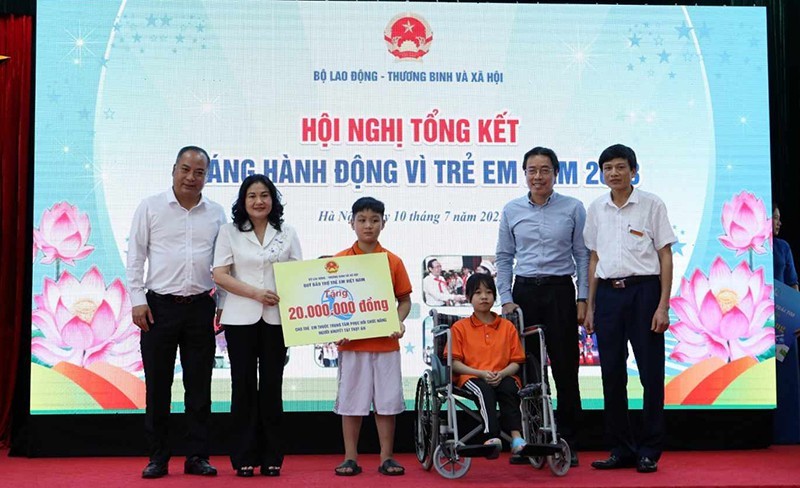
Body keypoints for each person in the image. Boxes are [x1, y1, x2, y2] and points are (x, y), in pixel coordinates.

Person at [127, 146, 226, 479]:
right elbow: (136, 256)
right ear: (173, 170)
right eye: (185, 169)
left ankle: (197, 456)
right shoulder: (151, 207)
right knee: (158, 386)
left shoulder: (216, 213)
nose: (191, 177)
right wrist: (137, 299)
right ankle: (158, 457)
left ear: (206, 176)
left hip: (200, 306)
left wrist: (222, 303)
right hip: (158, 308)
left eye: (199, 172)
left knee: (199, 388)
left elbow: (223, 263)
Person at [583, 144, 676, 474]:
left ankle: (650, 448)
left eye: (620, 167)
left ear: (634, 170)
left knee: (651, 375)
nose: (614, 173)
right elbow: (593, 259)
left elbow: (665, 256)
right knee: (611, 374)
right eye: (607, 168)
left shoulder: (651, 205)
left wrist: (663, 305)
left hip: (644, 293)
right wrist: (591, 306)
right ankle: (620, 447)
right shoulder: (596, 209)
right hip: (608, 295)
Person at [495, 146, 588, 467]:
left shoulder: (573, 208)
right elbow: (505, 258)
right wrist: (505, 299)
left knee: (566, 369)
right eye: (532, 170)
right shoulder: (512, 210)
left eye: (544, 170)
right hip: (524, 294)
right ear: (524, 174)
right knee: (527, 372)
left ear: (555, 173)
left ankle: (567, 442)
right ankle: (531, 441)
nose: (538, 176)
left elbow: (583, 256)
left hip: (561, 291)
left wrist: (583, 298)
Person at [212, 174, 302, 477]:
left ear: (273, 200)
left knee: (272, 388)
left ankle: (273, 456)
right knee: (244, 387)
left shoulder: (287, 232)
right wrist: (255, 294)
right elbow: (220, 275)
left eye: (264, 195)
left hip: (278, 321)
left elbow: (298, 276)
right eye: (252, 196)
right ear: (243, 201)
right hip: (240, 319)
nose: (259, 201)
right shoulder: (229, 232)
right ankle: (243, 457)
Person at [333, 197, 412, 477]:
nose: (368, 225)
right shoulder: (338, 262)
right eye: (362, 220)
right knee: (351, 402)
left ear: (383, 223)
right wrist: (332, 329)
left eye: (374, 220)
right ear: (351, 222)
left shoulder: (393, 261)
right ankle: (350, 458)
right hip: (352, 344)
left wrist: (398, 321)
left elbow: (404, 300)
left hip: (385, 343)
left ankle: (387, 457)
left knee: (387, 403)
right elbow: (328, 304)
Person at [448, 273, 528, 457]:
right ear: (468, 297)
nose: (484, 297)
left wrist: (501, 374)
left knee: (509, 388)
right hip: (471, 377)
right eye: (478, 293)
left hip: (503, 374)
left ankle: (517, 438)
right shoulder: (460, 328)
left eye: (488, 292)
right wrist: (481, 373)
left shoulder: (507, 327)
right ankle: (491, 437)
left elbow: (517, 362)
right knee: (483, 390)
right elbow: (455, 364)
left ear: (494, 296)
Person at [773, 205, 799, 290]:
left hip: (779, 301)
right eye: (776, 218)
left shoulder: (783, 247)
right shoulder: (750, 246)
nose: (779, 223)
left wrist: (796, 302)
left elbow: (793, 283)